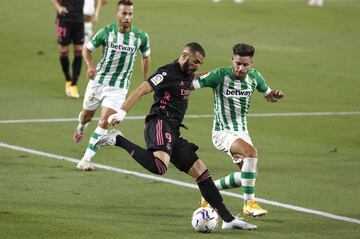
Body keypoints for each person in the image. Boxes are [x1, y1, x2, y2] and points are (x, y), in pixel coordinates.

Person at [93, 42, 257, 230]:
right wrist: (121, 112)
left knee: (202, 173)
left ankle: (228, 220)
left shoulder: (187, 74)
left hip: (174, 130)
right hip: (160, 123)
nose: (197, 66)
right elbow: (141, 90)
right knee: (160, 166)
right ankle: (118, 139)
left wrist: (220, 74)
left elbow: (195, 77)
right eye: (196, 62)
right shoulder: (167, 73)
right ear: (185, 56)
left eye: (200, 64)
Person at [192, 43, 284, 217]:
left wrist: (275, 96)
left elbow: (269, 97)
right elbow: (191, 85)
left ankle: (209, 192)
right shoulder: (220, 75)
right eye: (238, 64)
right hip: (222, 132)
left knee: (250, 177)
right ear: (232, 60)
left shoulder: (255, 77)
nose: (241, 68)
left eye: (245, 65)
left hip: (242, 132)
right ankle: (249, 204)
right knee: (251, 153)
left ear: (251, 64)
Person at [74, 0, 151, 171]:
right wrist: (90, 66)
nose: (127, 17)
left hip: (118, 88)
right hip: (98, 82)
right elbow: (87, 49)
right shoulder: (106, 32)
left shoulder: (140, 37)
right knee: (86, 116)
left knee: (105, 121)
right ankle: (82, 126)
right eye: (124, 13)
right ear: (116, 14)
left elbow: (146, 56)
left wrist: (147, 80)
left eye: (130, 13)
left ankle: (85, 159)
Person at [51, 0, 84, 99]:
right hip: (64, 19)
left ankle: (74, 85)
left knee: (79, 51)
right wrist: (59, 7)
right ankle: (68, 80)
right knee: (63, 51)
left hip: (78, 19)